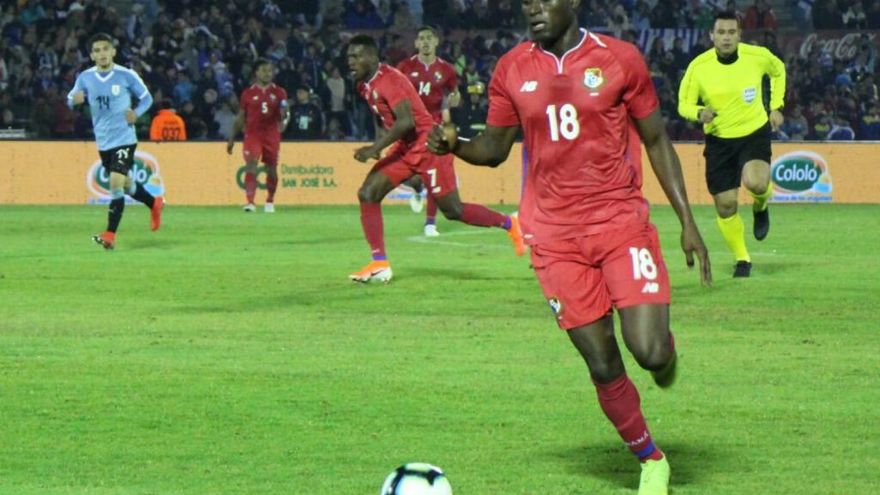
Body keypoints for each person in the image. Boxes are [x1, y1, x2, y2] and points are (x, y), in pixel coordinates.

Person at [427, 0, 713, 492]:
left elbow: (656, 139)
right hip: (554, 237)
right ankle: (651, 459)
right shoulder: (512, 68)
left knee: (648, 352)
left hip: (620, 222)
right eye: (527, 3)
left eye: (544, 0)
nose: (534, 9)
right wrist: (456, 145)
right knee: (602, 362)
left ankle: (665, 353)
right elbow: (494, 149)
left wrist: (688, 221)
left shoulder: (619, 58)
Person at [346, 34, 524, 283]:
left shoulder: (390, 79)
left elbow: (406, 122)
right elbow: (390, 120)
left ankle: (510, 223)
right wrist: (381, 145)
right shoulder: (364, 85)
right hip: (406, 147)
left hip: (429, 146)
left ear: (373, 57)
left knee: (454, 211)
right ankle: (380, 264)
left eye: (356, 56)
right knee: (368, 193)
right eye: (349, 57)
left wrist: (374, 148)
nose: (351, 62)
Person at [678, 10, 786, 277]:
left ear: (739, 35)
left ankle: (761, 206)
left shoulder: (757, 56)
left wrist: (775, 106)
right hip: (719, 141)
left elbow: (778, 71)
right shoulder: (698, 67)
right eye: (721, 33)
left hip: (753, 133)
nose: (726, 38)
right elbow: (683, 104)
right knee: (726, 205)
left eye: (731, 32)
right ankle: (742, 258)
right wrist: (698, 113)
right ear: (711, 35)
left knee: (756, 182)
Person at [67, 32, 162, 250]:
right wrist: (74, 100)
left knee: (115, 183)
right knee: (126, 184)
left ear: (113, 52)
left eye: (105, 49)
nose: (102, 54)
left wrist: (136, 113)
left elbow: (147, 98)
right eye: (97, 51)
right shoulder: (85, 78)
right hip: (103, 141)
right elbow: (70, 98)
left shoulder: (126, 75)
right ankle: (154, 202)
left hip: (124, 138)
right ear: (92, 55)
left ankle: (109, 234)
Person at [396, 25, 461, 236]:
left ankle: (430, 223)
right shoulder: (404, 67)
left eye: (429, 38)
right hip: (411, 127)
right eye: (421, 38)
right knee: (412, 174)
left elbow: (455, 94)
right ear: (416, 43)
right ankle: (416, 189)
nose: (425, 42)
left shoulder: (447, 69)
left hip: (434, 127)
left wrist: (454, 100)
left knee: (435, 172)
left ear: (436, 42)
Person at [226, 58, 290, 213]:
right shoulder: (248, 93)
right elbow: (240, 117)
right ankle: (250, 202)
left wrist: (284, 121)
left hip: (271, 134)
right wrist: (232, 138)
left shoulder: (279, 92)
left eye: (270, 71)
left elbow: (286, 112)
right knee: (251, 164)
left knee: (271, 169)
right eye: (264, 70)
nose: (268, 73)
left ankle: (270, 200)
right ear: (256, 73)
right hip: (253, 134)